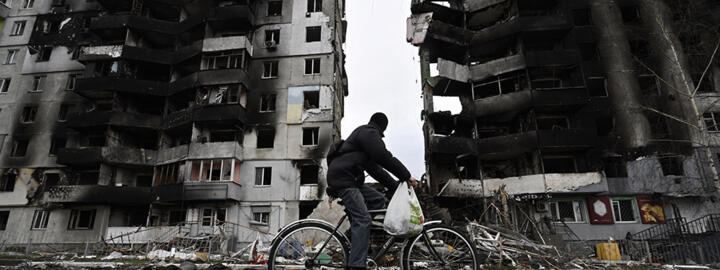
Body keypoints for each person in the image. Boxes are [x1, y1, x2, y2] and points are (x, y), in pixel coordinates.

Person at [326, 112, 418, 270]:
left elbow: (377, 171)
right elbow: (383, 156)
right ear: (382, 127)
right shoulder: (368, 133)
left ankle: (349, 238)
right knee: (363, 220)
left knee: (378, 200)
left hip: (348, 178)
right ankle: (356, 265)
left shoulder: (363, 144)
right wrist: (406, 175)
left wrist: (398, 188)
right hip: (345, 179)